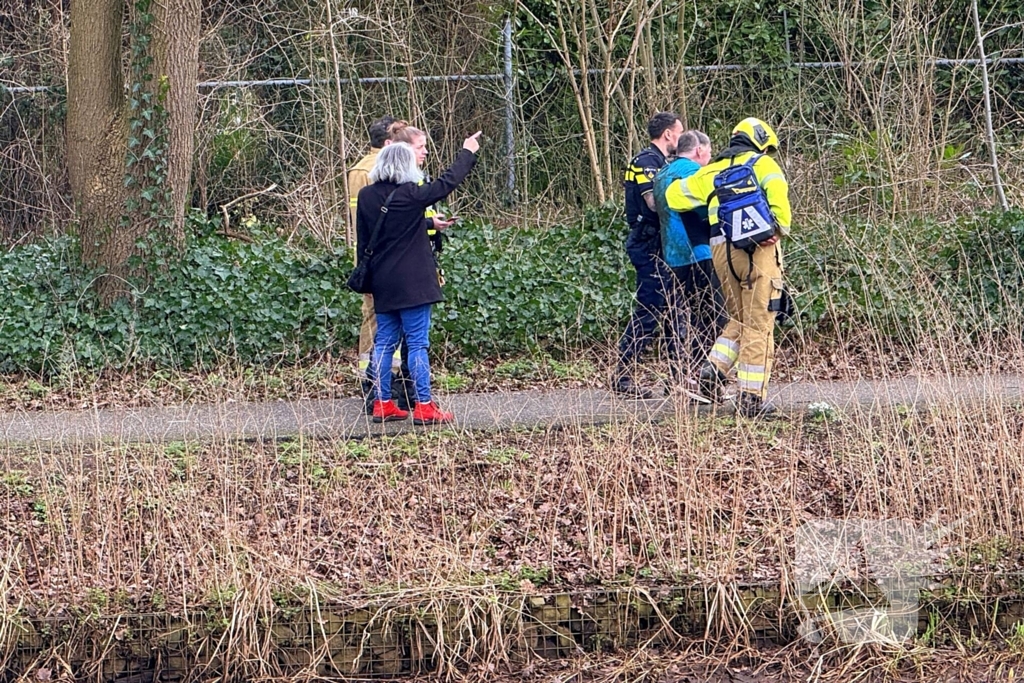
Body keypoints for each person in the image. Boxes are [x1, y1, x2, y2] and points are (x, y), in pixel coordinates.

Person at [664, 118, 791, 417]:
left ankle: (714, 369)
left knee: (739, 319)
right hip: (759, 250)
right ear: (760, 141)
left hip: (721, 251)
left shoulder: (712, 171)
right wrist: (778, 230)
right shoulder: (764, 166)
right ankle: (750, 399)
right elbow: (781, 211)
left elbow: (673, 197)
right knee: (760, 323)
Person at [357, 132, 482, 424]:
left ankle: (382, 402)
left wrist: (428, 223)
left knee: (385, 343)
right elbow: (447, 183)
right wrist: (468, 152)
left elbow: (376, 235)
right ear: (405, 167)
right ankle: (424, 405)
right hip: (414, 283)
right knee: (417, 343)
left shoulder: (367, 196)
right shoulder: (411, 194)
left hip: (383, 282)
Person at [612, 112, 685, 399]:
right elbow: (654, 203)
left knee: (675, 310)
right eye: (680, 132)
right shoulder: (646, 162)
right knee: (650, 309)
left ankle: (678, 376)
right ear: (668, 134)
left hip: (663, 246)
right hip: (647, 244)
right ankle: (623, 376)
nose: (682, 137)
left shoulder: (663, 163)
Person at [653, 130, 725, 393]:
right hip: (699, 252)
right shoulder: (696, 174)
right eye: (708, 152)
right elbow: (706, 212)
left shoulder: (661, 174)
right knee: (709, 317)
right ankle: (703, 376)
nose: (709, 156)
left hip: (671, 256)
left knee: (674, 316)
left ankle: (678, 376)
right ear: (698, 151)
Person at [349, 115, 396, 376]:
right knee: (388, 316)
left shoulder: (358, 169)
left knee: (371, 313)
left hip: (365, 252)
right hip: (387, 255)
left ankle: (368, 372)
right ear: (389, 141)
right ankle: (386, 375)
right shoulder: (387, 169)